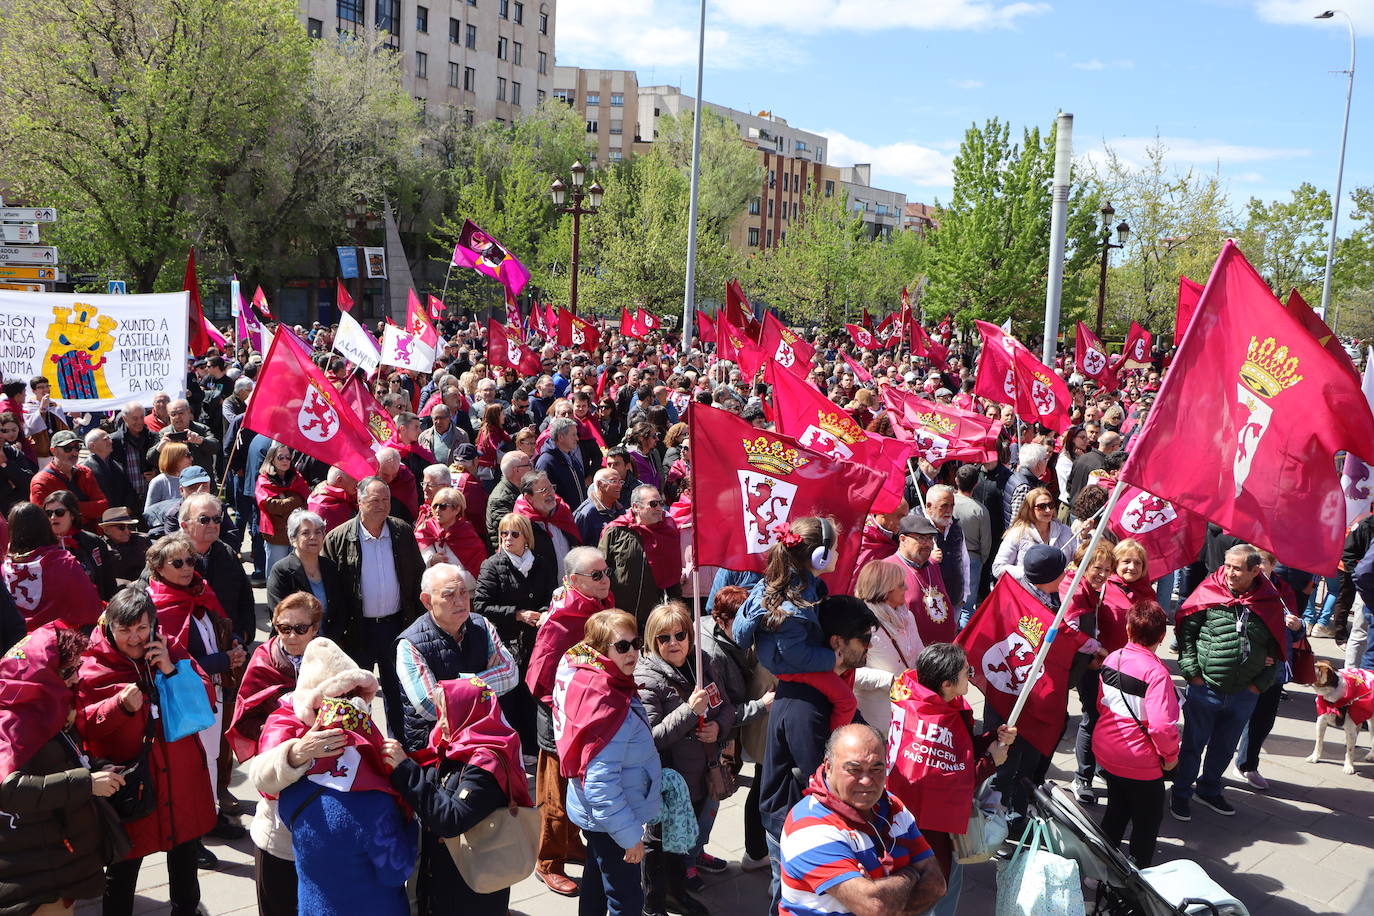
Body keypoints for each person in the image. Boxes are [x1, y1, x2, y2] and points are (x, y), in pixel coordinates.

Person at [77, 584, 217, 916]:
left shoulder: (172, 651)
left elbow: (205, 704)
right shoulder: (92, 665)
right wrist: (118, 706)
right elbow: (82, 727)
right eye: (125, 630)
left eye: (142, 627)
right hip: (132, 786)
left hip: (180, 780)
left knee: (184, 858)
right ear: (109, 627)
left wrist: (170, 670)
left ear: (153, 624)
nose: (136, 638)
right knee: (124, 866)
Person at [254, 637, 416, 916]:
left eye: (355, 695)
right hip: (281, 850)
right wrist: (297, 753)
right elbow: (262, 781)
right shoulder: (286, 722)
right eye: (340, 697)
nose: (349, 705)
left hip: (315, 870)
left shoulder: (357, 726)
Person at [759, 595, 878, 915]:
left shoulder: (835, 682)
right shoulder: (805, 702)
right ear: (837, 642)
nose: (869, 646)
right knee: (792, 902)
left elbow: (859, 732)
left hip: (822, 814)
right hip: (795, 818)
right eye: (864, 639)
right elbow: (821, 773)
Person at [383, 676, 533, 916]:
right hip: (447, 877)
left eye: (446, 712)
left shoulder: (487, 763)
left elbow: (450, 820)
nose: (440, 721)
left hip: (469, 888)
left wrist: (405, 769)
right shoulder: (455, 745)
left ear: (467, 711)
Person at [0, 624, 119, 916]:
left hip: (55, 856)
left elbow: (59, 761)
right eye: (67, 672)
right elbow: (9, 789)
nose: (76, 677)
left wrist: (96, 767)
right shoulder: (13, 720)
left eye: (77, 667)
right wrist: (87, 783)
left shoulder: (48, 706)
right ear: (40, 675)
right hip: (34, 870)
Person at [886, 645, 1015, 916]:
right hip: (923, 832)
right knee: (932, 893)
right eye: (967, 672)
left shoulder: (935, 705)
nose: (971, 674)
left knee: (949, 884)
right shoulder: (929, 720)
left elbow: (958, 751)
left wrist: (992, 738)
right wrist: (992, 762)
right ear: (946, 683)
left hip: (934, 826)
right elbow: (948, 781)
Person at [556, 609, 661, 916]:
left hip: (597, 817)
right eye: (622, 646)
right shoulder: (608, 706)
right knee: (626, 900)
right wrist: (630, 838)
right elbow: (601, 785)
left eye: (636, 642)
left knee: (597, 882)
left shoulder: (585, 677)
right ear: (600, 650)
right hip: (613, 820)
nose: (633, 652)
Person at [778, 724, 946, 916]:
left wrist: (881, 891)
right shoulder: (808, 828)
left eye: (876, 768)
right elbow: (875, 906)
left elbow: (936, 884)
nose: (867, 781)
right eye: (854, 769)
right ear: (828, 767)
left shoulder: (893, 805)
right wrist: (911, 874)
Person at [1171, 544, 1285, 821]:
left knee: (1224, 747)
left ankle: (1209, 789)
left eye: (1237, 568)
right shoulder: (1209, 591)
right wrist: (1192, 674)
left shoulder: (1269, 601)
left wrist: (1259, 684)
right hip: (1205, 687)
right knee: (1192, 747)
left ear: (1255, 571)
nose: (1229, 573)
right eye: (1227, 566)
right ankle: (1181, 792)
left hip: (1245, 693)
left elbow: (1277, 646)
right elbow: (1186, 633)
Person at [523, 545, 614, 895]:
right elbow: (540, 676)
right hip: (559, 716)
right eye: (597, 575)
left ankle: (571, 843)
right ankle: (548, 861)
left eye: (606, 572)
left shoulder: (601, 603)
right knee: (556, 792)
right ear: (574, 581)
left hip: (591, 712)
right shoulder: (563, 618)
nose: (606, 579)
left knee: (583, 786)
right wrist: (567, 709)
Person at [146, 532, 248, 841]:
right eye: (177, 562)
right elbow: (172, 664)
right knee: (192, 766)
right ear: (158, 568)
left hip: (214, 692)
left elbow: (220, 624)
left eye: (191, 560)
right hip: (184, 697)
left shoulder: (201, 592)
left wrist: (235, 642)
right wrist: (223, 660)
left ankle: (211, 814)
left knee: (211, 759)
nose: (187, 566)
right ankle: (194, 830)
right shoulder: (157, 607)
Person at [636, 602, 735, 913]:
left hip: (699, 773)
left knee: (681, 843)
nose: (674, 643)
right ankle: (653, 903)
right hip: (669, 779)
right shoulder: (647, 678)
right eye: (664, 638)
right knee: (659, 843)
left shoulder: (703, 663)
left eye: (680, 635)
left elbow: (728, 707)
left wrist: (718, 726)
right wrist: (690, 711)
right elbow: (651, 738)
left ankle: (677, 893)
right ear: (653, 641)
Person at [228, 593, 323, 916]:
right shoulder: (264, 660)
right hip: (278, 778)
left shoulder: (329, 658)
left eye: (300, 628)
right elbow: (245, 716)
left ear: (315, 629)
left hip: (321, 779)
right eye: (283, 628)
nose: (291, 636)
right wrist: (282, 732)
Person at [321, 475, 426, 742]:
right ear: (359, 500)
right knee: (356, 697)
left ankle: (400, 754)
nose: (382, 505)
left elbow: (417, 578)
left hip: (397, 627)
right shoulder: (338, 539)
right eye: (375, 500)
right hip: (358, 631)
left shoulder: (402, 532)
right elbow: (330, 590)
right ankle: (361, 749)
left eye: (387, 499)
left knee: (398, 694)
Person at [736, 517, 857, 733]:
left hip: (794, 660)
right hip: (789, 667)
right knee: (847, 700)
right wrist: (831, 659)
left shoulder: (806, 585)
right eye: (835, 549)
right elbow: (794, 654)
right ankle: (830, 746)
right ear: (820, 557)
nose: (838, 554)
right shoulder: (792, 607)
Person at [1094, 600, 1181, 867]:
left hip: (1107, 749)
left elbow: (1102, 703)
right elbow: (1161, 726)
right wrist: (1171, 757)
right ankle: (1138, 875)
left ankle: (1099, 870)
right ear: (1162, 636)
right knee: (1147, 821)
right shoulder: (1157, 674)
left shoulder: (1113, 658)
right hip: (1140, 761)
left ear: (1128, 629)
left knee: (1116, 810)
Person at [394, 563, 517, 752]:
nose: (460, 601)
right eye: (449, 595)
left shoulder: (481, 624)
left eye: (463, 592)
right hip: (435, 746)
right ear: (427, 601)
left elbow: (510, 675)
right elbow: (429, 706)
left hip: (483, 738)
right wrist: (485, 679)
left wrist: (450, 689)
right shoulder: (409, 644)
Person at [697, 584, 774, 874]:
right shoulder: (714, 653)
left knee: (711, 799)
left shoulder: (737, 641)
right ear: (721, 620)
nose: (746, 628)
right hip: (708, 739)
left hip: (723, 737)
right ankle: (691, 858)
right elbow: (722, 711)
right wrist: (762, 706)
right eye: (739, 620)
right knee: (706, 798)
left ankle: (697, 850)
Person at [472, 512, 559, 748]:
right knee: (513, 697)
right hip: (507, 642)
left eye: (514, 533)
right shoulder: (492, 566)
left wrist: (541, 613)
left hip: (537, 640)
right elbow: (481, 606)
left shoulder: (540, 563)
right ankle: (516, 746)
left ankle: (535, 744)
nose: (507, 538)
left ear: (526, 538)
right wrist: (517, 614)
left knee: (535, 695)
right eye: (503, 533)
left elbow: (550, 595)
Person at [1234, 549, 1308, 790]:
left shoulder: (1283, 590)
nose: (1258, 567)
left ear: (1273, 565)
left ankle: (1248, 764)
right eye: (1253, 563)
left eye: (1262, 562)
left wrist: (1298, 625)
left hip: (1274, 667)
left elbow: (1296, 630)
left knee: (1263, 719)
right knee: (1234, 717)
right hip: (1243, 666)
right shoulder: (1241, 586)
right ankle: (1218, 770)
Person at [1062, 540, 1118, 804]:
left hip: (1086, 662)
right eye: (1098, 567)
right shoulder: (1073, 589)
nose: (1103, 574)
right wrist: (1096, 648)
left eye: (1107, 569)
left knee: (1095, 714)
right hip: (1069, 666)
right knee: (1087, 716)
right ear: (1083, 564)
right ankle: (1082, 777)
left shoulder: (1089, 588)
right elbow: (1069, 629)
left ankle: (1095, 769)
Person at [4, 501, 102, 630]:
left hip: (16, 647)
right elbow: (91, 608)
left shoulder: (3, 571)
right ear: (45, 527)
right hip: (60, 644)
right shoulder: (64, 562)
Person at [852, 559, 921, 733]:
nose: (906, 588)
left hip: (908, 711)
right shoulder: (860, 624)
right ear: (883, 589)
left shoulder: (908, 617)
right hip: (877, 719)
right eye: (900, 585)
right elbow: (848, 672)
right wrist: (889, 680)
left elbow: (918, 655)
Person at [600, 484, 682, 626]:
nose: (659, 508)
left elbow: (673, 576)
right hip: (618, 616)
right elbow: (601, 569)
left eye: (661, 503)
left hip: (652, 618)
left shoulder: (667, 530)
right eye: (653, 504)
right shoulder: (615, 530)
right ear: (636, 507)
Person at [883, 513, 959, 646]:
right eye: (921, 538)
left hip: (945, 651)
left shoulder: (933, 565)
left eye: (930, 538)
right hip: (913, 654)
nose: (928, 544)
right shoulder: (888, 569)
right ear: (903, 539)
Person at [265, 508, 343, 625]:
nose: (313, 537)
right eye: (306, 533)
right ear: (293, 539)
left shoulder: (330, 567)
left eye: (318, 532)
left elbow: (340, 610)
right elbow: (280, 614)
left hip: (329, 640)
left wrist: (329, 640)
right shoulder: (281, 571)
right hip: (295, 639)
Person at [43, 489, 117, 601]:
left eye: (59, 512)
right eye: (48, 513)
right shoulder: (41, 545)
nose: (53, 517)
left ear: (72, 515)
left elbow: (108, 583)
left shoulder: (94, 542)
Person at [991, 485, 1075, 581]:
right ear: (1030, 509)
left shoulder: (1066, 531)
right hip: (1026, 592)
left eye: (1051, 505)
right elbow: (998, 568)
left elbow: (1077, 560)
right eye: (1042, 507)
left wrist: (1083, 536)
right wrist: (1031, 573)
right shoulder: (1017, 534)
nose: (1048, 510)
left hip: (1059, 592)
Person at [30, 430, 107, 529]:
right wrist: (87, 509)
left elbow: (103, 506)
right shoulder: (41, 481)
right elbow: (43, 518)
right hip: (61, 539)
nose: (74, 453)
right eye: (67, 448)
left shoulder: (85, 472)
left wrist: (67, 508)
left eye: (77, 447)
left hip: (90, 535)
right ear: (53, 451)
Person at [256, 443, 311, 577]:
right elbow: (273, 506)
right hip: (276, 536)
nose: (285, 460)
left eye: (288, 457)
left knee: (296, 573)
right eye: (281, 457)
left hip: (296, 533)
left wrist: (288, 503)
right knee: (276, 574)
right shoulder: (264, 480)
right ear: (272, 459)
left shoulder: (296, 477)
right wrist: (295, 499)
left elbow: (306, 498)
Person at [513, 469, 582, 577]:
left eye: (551, 487)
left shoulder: (562, 511)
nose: (551, 493)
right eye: (544, 490)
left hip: (569, 584)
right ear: (529, 498)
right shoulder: (521, 525)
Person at [416, 487, 489, 575]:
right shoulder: (426, 529)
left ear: (457, 509)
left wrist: (452, 581)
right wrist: (430, 561)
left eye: (443, 506)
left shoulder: (468, 535)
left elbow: (478, 572)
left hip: (460, 587)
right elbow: (414, 561)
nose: (437, 510)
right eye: (435, 506)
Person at [953, 464, 992, 624]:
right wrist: (982, 559)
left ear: (956, 480)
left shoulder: (947, 502)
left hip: (951, 556)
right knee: (968, 606)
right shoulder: (980, 510)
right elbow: (986, 540)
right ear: (976, 484)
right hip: (972, 558)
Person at [921, 484, 969, 611]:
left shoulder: (956, 528)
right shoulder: (917, 529)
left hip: (954, 599)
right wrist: (928, 559)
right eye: (944, 506)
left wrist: (964, 594)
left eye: (952, 505)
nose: (949, 510)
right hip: (930, 603)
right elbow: (907, 565)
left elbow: (964, 561)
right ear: (929, 507)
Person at [536, 416, 588, 509]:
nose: (577, 439)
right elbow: (545, 497)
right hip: (563, 519)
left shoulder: (571, 456)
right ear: (560, 437)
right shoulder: (546, 462)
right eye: (573, 435)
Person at [82, 427, 137, 512]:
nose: (110, 442)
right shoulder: (85, 469)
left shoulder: (117, 465)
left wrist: (128, 507)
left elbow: (128, 490)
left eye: (109, 438)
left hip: (121, 516)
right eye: (105, 439)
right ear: (92, 445)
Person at [484, 451, 533, 546]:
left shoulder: (521, 488)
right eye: (528, 464)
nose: (532, 467)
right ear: (517, 470)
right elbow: (513, 532)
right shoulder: (500, 499)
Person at [99, 505, 153, 584]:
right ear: (107, 530)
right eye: (121, 527)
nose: (127, 531)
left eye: (130, 527)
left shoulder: (142, 540)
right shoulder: (101, 547)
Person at [574, 467, 626, 546]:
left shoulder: (620, 509)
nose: (619, 486)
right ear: (599, 484)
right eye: (614, 481)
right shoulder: (586, 513)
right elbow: (577, 546)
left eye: (620, 482)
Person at [1002, 442, 1048, 526]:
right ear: (1038, 463)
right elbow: (1016, 522)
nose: (1046, 462)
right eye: (1045, 459)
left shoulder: (1017, 476)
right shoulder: (1024, 487)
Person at [146, 441, 194, 508]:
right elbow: (149, 513)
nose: (191, 458)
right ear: (174, 458)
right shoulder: (158, 482)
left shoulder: (194, 478)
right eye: (187, 455)